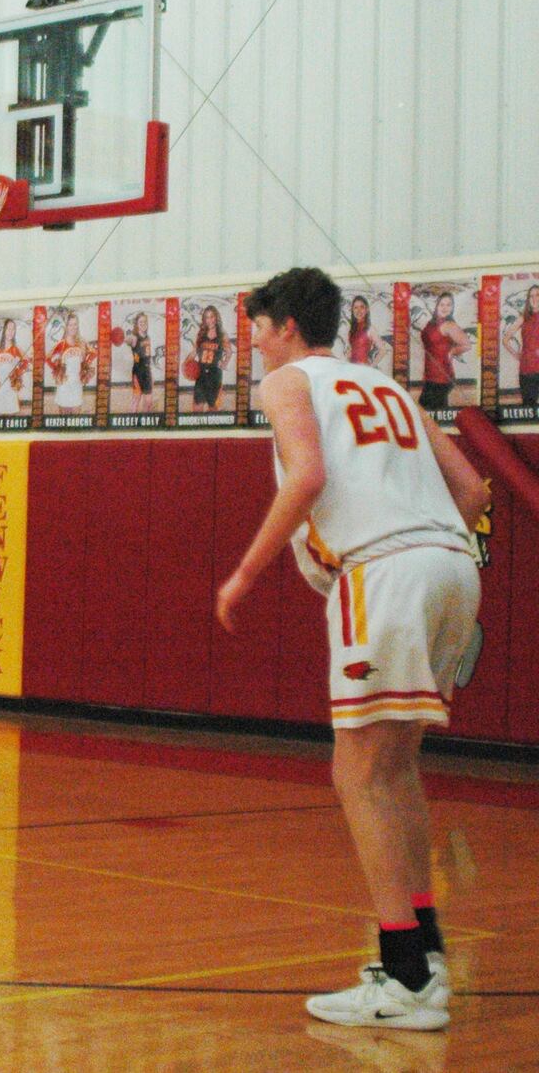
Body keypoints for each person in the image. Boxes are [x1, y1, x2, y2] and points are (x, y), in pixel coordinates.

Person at [216, 267, 487, 1031]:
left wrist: (243, 573)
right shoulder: (388, 385)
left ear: (288, 329)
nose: (255, 343)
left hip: (387, 573)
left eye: (259, 330)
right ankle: (423, 956)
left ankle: (403, 975)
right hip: (452, 568)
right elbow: (472, 493)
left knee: (358, 774)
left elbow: (307, 477)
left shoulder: (288, 383)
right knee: (394, 769)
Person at [416, 292, 471, 410]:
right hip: (430, 375)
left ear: (452, 308)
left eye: (449, 305)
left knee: (433, 413)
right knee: (432, 412)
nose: (445, 308)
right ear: (436, 306)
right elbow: (429, 349)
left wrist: (452, 351)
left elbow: (467, 345)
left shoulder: (450, 325)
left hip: (442, 376)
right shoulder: (431, 324)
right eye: (442, 304)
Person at [47, 312, 91, 413]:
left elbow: (93, 354)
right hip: (64, 384)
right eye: (70, 324)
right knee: (64, 417)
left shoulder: (82, 343)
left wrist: (85, 368)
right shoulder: (61, 344)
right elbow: (47, 358)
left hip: (77, 384)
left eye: (75, 324)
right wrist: (57, 370)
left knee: (76, 415)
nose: (73, 327)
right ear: (66, 326)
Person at [0, 318, 27, 417]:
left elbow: (25, 362)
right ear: (4, 330)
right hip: (0, 384)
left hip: (10, 385)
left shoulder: (16, 349)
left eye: (13, 329)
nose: (11, 332)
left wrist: (17, 373)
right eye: (8, 329)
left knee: (10, 413)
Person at [506, 285, 539, 407]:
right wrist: (516, 354)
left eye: (537, 295)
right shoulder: (523, 318)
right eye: (531, 296)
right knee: (528, 407)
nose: (534, 298)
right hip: (526, 369)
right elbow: (506, 339)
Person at [192, 305, 227, 410]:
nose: (210, 320)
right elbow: (194, 352)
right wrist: (186, 362)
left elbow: (229, 351)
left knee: (212, 408)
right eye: (207, 317)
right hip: (201, 374)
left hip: (214, 375)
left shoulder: (222, 335)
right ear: (204, 319)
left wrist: (225, 363)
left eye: (212, 317)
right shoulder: (201, 334)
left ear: (216, 318)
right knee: (197, 408)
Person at [128, 312, 155, 413]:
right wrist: (126, 338)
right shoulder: (134, 337)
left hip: (147, 371)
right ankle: (131, 421)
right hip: (138, 372)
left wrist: (151, 373)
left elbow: (147, 356)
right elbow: (129, 340)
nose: (143, 323)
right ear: (137, 324)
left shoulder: (147, 337)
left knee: (148, 402)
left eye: (145, 321)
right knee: (136, 398)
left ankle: (144, 421)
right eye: (141, 322)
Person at [345, 296, 379, 369]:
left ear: (366, 310)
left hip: (364, 369)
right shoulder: (351, 329)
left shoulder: (370, 329)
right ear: (352, 310)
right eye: (356, 307)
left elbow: (383, 350)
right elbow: (351, 350)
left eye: (362, 307)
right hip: (351, 369)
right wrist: (348, 356)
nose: (358, 310)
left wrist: (372, 366)